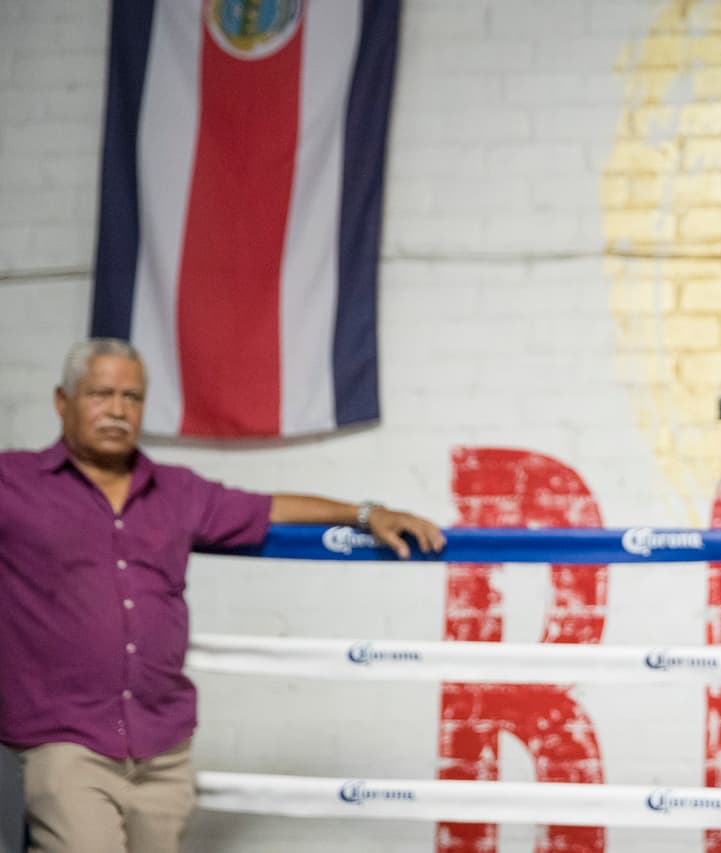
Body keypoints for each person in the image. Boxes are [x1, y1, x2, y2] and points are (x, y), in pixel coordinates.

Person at [0, 337, 447, 853]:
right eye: (101, 394)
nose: (118, 410)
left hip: (161, 747)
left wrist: (367, 514)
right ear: (64, 401)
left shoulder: (178, 491)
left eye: (132, 397)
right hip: (65, 741)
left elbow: (272, 508)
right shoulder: (15, 484)